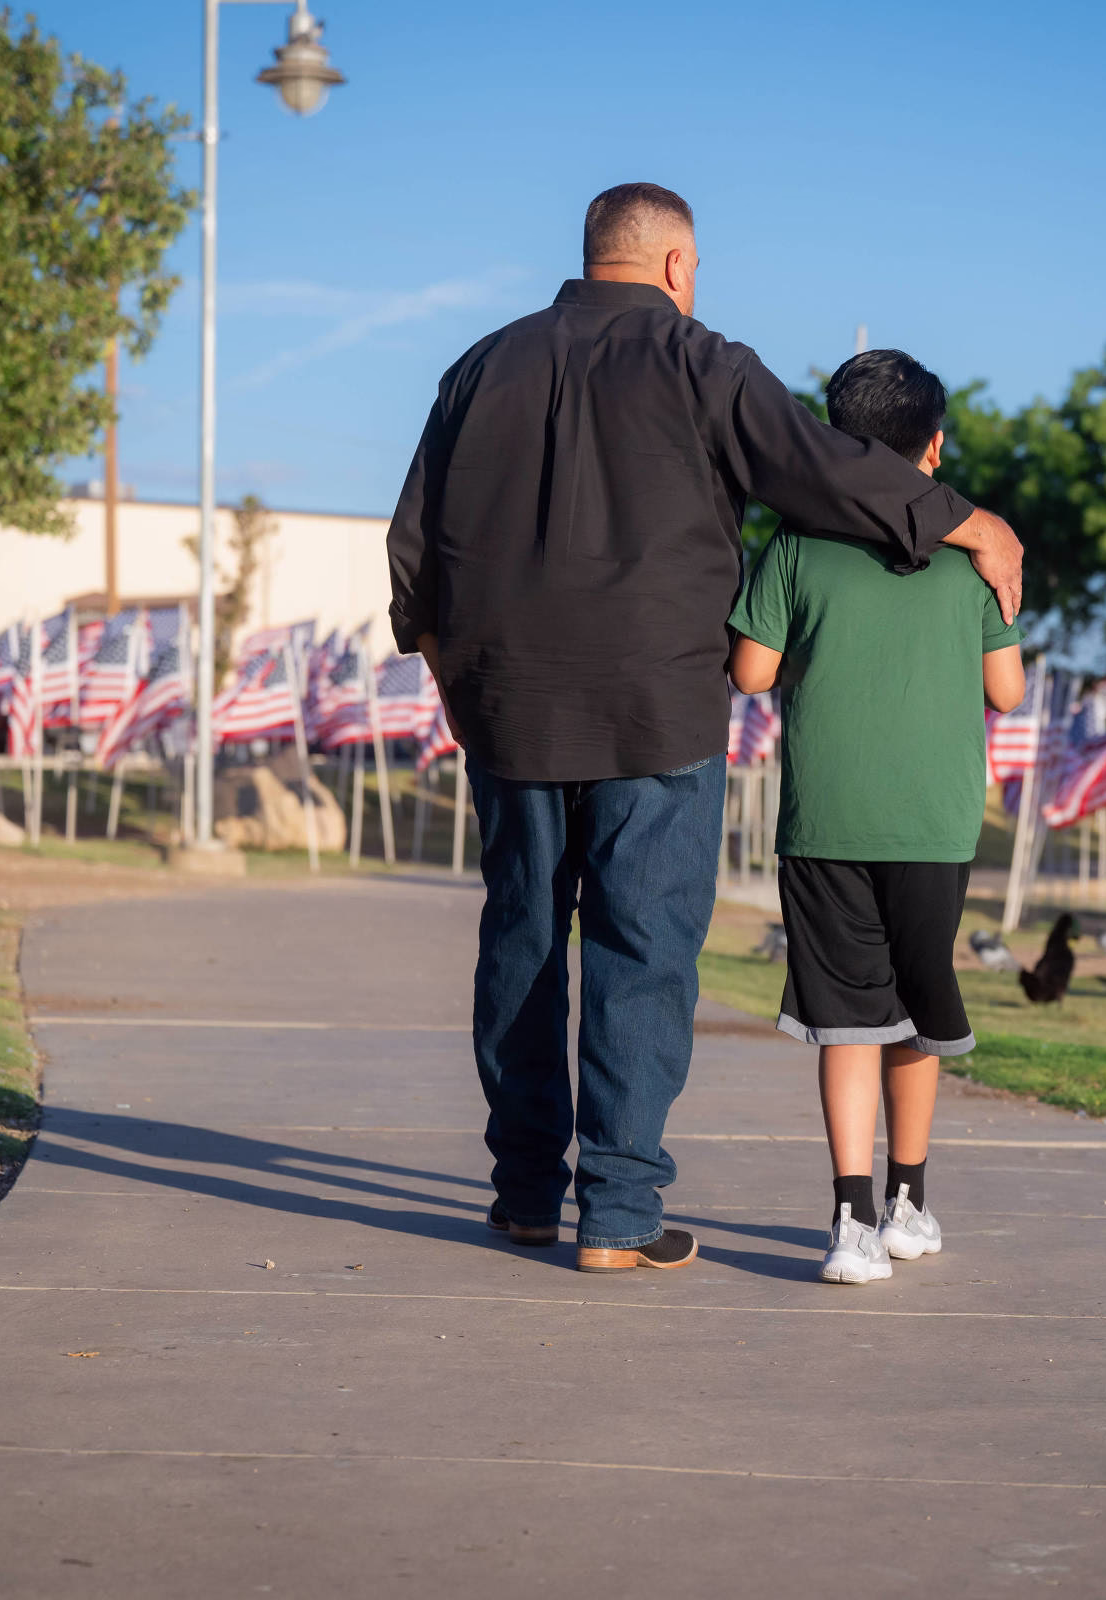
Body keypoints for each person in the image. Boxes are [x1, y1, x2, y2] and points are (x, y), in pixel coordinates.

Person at [386, 183, 1022, 1273]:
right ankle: (621, 1216)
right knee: (643, 949)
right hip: (657, 708)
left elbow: (415, 548)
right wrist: (965, 518)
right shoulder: (700, 361)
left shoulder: (481, 365)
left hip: (512, 709)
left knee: (524, 941)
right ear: (677, 266)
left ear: (593, 256)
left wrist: (457, 682)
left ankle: (528, 1194)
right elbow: (820, 467)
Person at [727, 348, 1025, 1285]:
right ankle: (909, 1205)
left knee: (846, 1020)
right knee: (917, 1010)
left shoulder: (796, 543)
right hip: (934, 826)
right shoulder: (975, 554)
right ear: (933, 448)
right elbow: (1007, 692)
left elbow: (750, 674)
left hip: (825, 821)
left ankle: (849, 1223)